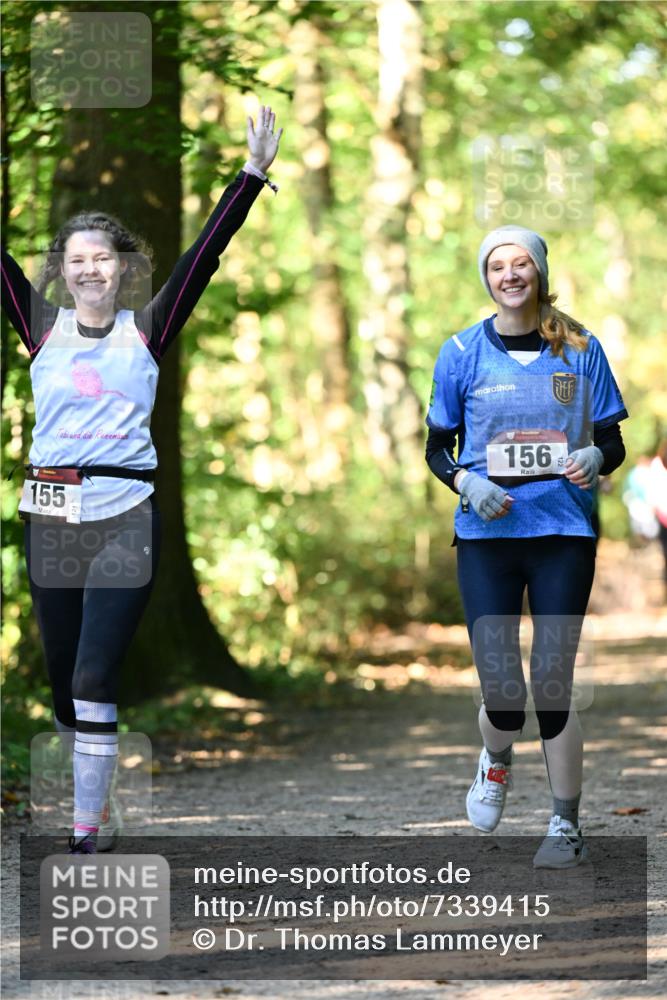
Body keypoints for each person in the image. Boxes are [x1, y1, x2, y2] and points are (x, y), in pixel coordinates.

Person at [1, 105, 282, 854]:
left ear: (122, 268)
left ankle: (88, 825)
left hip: (126, 509)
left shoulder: (147, 330)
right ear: (60, 272)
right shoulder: (40, 327)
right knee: (63, 677)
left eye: (104, 258)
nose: (91, 268)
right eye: (77, 259)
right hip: (52, 508)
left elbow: (205, 256)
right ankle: (95, 788)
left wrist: (249, 177)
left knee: (96, 672)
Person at [425, 225, 628, 868]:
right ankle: (496, 757)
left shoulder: (581, 346)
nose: (510, 275)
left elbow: (614, 441)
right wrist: (467, 480)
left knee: (552, 681)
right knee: (504, 694)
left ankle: (564, 825)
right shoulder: (459, 352)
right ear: (486, 278)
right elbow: (437, 448)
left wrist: (596, 455)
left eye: (521, 265)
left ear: (540, 271)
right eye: (497, 266)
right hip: (486, 534)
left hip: (563, 533)